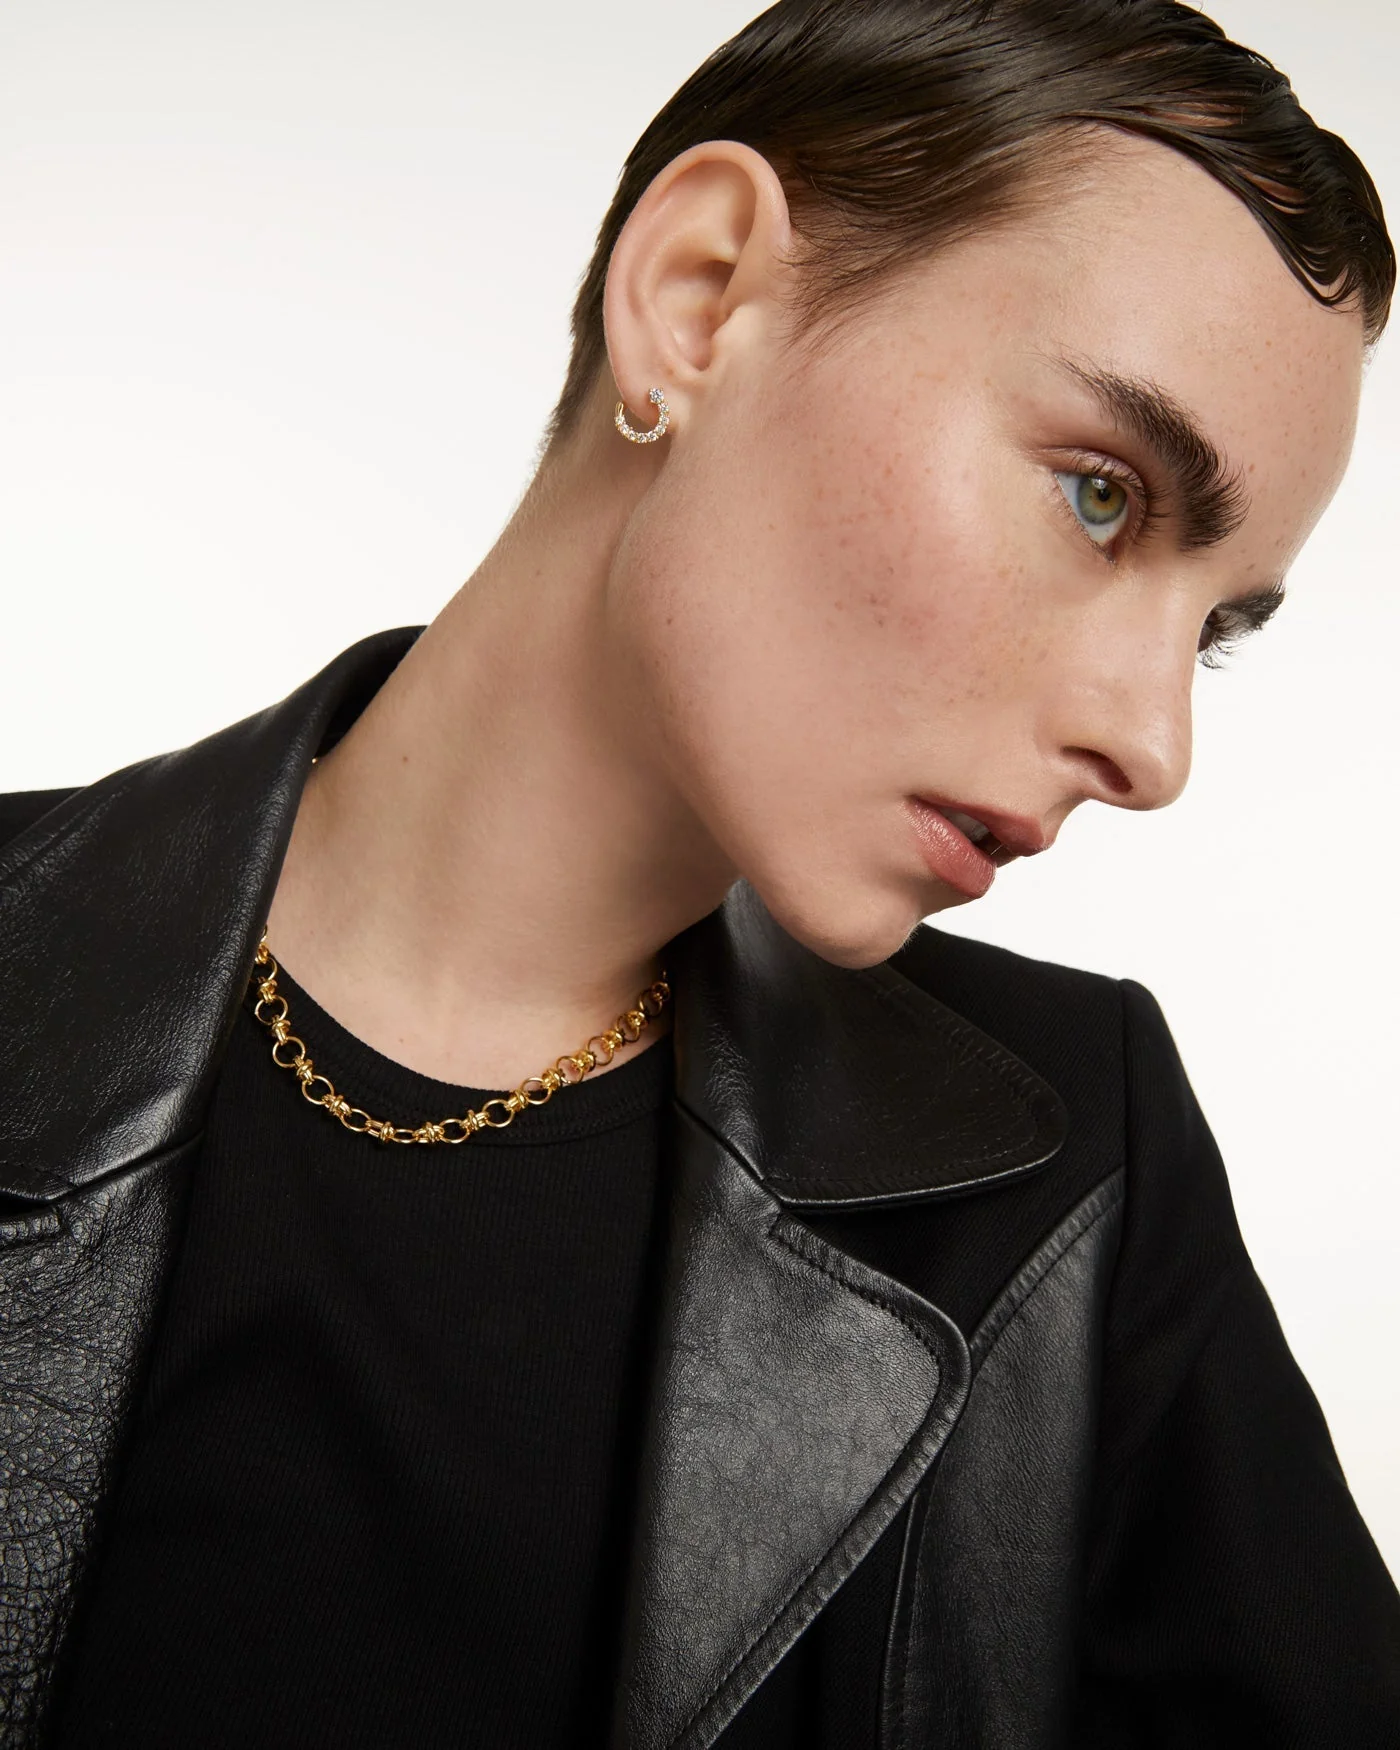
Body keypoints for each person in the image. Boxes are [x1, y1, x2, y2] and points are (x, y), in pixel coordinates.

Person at [2, 0, 1398, 1743]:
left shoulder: (1067, 1185)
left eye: (1216, 629)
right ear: (700, 297)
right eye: (1100, 497)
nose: (1154, 744)